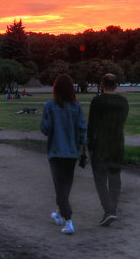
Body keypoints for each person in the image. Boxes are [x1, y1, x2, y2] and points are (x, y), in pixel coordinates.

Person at [41, 73, 87, 235]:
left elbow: (45, 129)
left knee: (60, 188)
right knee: (65, 186)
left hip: (55, 152)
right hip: (72, 153)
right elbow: (82, 130)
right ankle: (59, 214)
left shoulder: (50, 106)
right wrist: (83, 149)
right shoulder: (76, 107)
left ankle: (68, 221)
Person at [88, 73, 129, 226]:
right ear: (116, 85)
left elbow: (91, 125)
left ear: (102, 85)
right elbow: (122, 121)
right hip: (117, 143)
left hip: (100, 144)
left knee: (100, 179)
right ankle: (113, 208)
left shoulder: (97, 101)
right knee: (115, 178)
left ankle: (108, 210)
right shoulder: (123, 102)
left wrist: (89, 145)